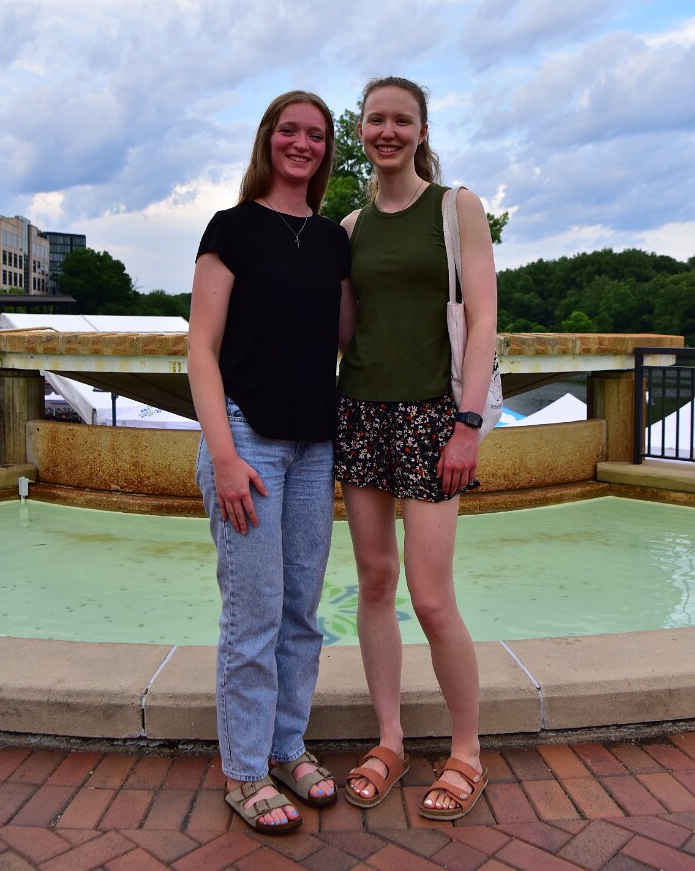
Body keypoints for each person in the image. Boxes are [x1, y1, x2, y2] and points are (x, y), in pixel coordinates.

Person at [188, 90, 355, 834]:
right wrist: (223, 456)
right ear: (268, 139)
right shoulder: (231, 229)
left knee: (300, 614)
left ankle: (288, 745)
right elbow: (200, 348)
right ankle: (244, 771)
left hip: (315, 445)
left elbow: (347, 336)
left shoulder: (332, 242)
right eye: (289, 130)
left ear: (326, 150)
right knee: (252, 615)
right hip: (247, 439)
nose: (302, 143)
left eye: (315, 135)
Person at [335, 77, 497, 820]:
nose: (387, 130)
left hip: (435, 418)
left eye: (402, 119)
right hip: (362, 414)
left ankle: (466, 752)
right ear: (361, 130)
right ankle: (392, 739)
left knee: (431, 598)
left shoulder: (455, 206)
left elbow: (485, 323)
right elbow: (339, 332)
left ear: (422, 128)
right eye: (375, 119)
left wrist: (467, 423)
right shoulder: (349, 228)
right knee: (374, 581)